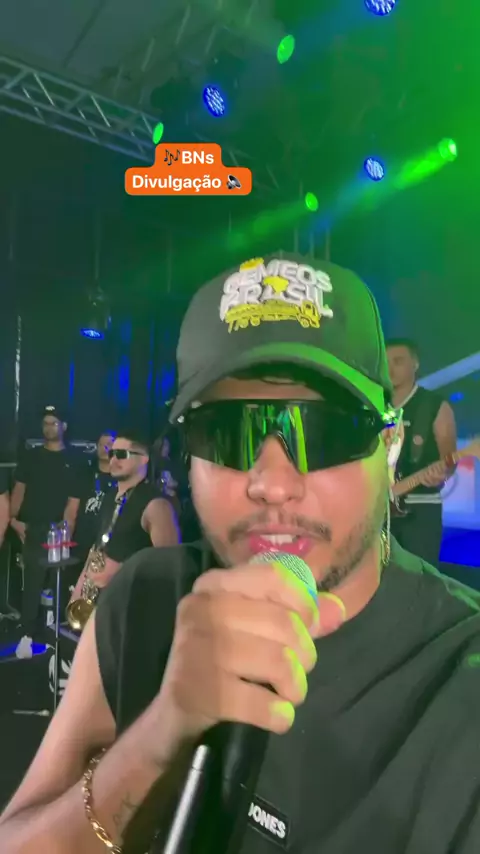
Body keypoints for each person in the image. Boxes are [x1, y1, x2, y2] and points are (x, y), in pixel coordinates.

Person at [2, 254, 480, 854]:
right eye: (228, 433)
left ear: (389, 447)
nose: (272, 484)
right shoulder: (145, 597)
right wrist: (159, 736)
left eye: (324, 432)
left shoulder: (459, 677)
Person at [68, 430, 180, 607]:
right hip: (106, 605)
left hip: (135, 607)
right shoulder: (110, 496)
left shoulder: (156, 504)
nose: (113, 460)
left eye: (121, 454)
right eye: (112, 454)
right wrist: (78, 592)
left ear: (144, 458)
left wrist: (121, 571)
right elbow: (97, 550)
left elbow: (171, 565)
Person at [9, 405, 84, 658]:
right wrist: (13, 520)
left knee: (58, 584)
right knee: (32, 585)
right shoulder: (31, 457)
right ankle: (27, 635)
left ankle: (55, 634)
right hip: (32, 528)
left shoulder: (74, 460)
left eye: (54, 423)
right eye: (45, 423)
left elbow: (73, 504)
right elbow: (18, 491)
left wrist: (67, 533)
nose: (48, 428)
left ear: (64, 426)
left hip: (58, 531)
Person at [386, 338, 457, 565]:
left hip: (421, 509)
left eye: (398, 361)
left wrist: (442, 472)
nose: (390, 369)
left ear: (415, 364)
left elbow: (450, 460)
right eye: (386, 362)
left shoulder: (434, 405)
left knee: (420, 576)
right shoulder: (374, 405)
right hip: (379, 509)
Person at [71, 431, 117, 564]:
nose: (105, 448)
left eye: (109, 444)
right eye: (101, 444)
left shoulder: (122, 478)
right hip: (82, 541)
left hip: (111, 544)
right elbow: (72, 508)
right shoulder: (84, 474)